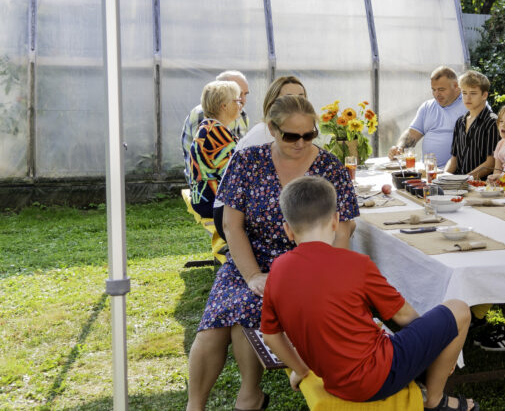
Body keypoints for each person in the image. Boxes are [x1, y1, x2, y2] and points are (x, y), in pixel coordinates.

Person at [186, 95, 359, 411]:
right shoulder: (248, 161)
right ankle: (195, 406)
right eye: (291, 136)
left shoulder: (330, 167)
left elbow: (344, 228)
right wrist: (252, 274)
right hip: (248, 257)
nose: (301, 142)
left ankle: (249, 396)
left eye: (309, 135)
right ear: (272, 129)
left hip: (306, 266)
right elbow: (231, 224)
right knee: (213, 327)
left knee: (246, 312)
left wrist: (328, 278)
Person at [261, 176, 476, 410]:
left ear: (288, 230)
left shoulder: (277, 270)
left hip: (334, 382)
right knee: (459, 309)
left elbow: (271, 337)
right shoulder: (356, 264)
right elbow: (404, 317)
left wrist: (301, 371)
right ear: (335, 221)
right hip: (377, 378)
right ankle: (434, 400)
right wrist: (435, 345)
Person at [212, 76, 308, 238]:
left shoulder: (291, 133)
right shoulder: (266, 136)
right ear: (273, 104)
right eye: (289, 98)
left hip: (253, 206)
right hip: (231, 214)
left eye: (301, 98)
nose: (297, 103)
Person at [387, 66, 467, 167]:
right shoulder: (428, 107)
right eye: (433, 90)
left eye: (441, 89)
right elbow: (411, 134)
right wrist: (398, 148)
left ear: (455, 86)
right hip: (428, 171)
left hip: (457, 175)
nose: (436, 94)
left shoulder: (470, 104)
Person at [182, 70, 251, 187]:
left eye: (245, 94)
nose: (243, 100)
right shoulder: (203, 116)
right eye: (238, 95)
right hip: (207, 187)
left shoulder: (241, 115)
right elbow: (208, 165)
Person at [187, 80, 243, 219]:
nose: (240, 104)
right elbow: (235, 173)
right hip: (214, 203)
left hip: (204, 200)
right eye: (237, 100)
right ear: (224, 106)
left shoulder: (209, 128)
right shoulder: (216, 133)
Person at [444, 71, 499, 179]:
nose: (467, 98)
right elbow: (454, 159)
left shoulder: (492, 122)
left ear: (484, 95)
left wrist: (465, 179)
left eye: (473, 93)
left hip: (481, 186)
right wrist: (443, 177)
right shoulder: (460, 122)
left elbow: (491, 163)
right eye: (464, 93)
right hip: (458, 183)